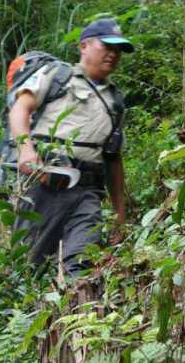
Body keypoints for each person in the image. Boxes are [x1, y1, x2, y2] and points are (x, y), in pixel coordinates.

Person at [9, 19, 132, 275]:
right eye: (106, 46)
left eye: (118, 50)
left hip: (88, 191)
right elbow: (21, 108)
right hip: (45, 181)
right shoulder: (57, 77)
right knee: (29, 266)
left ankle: (79, 310)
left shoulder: (115, 100)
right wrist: (25, 148)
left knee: (83, 262)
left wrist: (120, 214)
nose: (113, 54)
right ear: (84, 46)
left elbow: (113, 158)